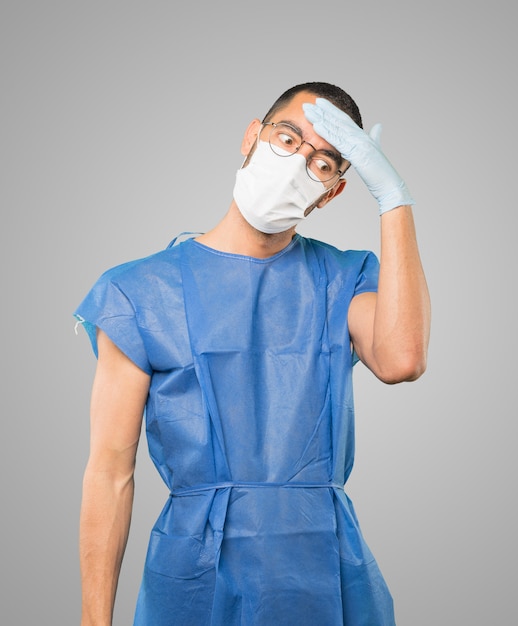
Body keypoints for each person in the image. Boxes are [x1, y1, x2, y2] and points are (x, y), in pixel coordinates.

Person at [75, 81, 431, 626]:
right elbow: (110, 475)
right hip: (196, 576)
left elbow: (403, 359)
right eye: (287, 139)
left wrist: (394, 198)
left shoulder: (344, 278)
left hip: (324, 570)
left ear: (331, 192)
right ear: (252, 137)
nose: (296, 164)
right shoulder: (140, 291)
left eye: (322, 164)